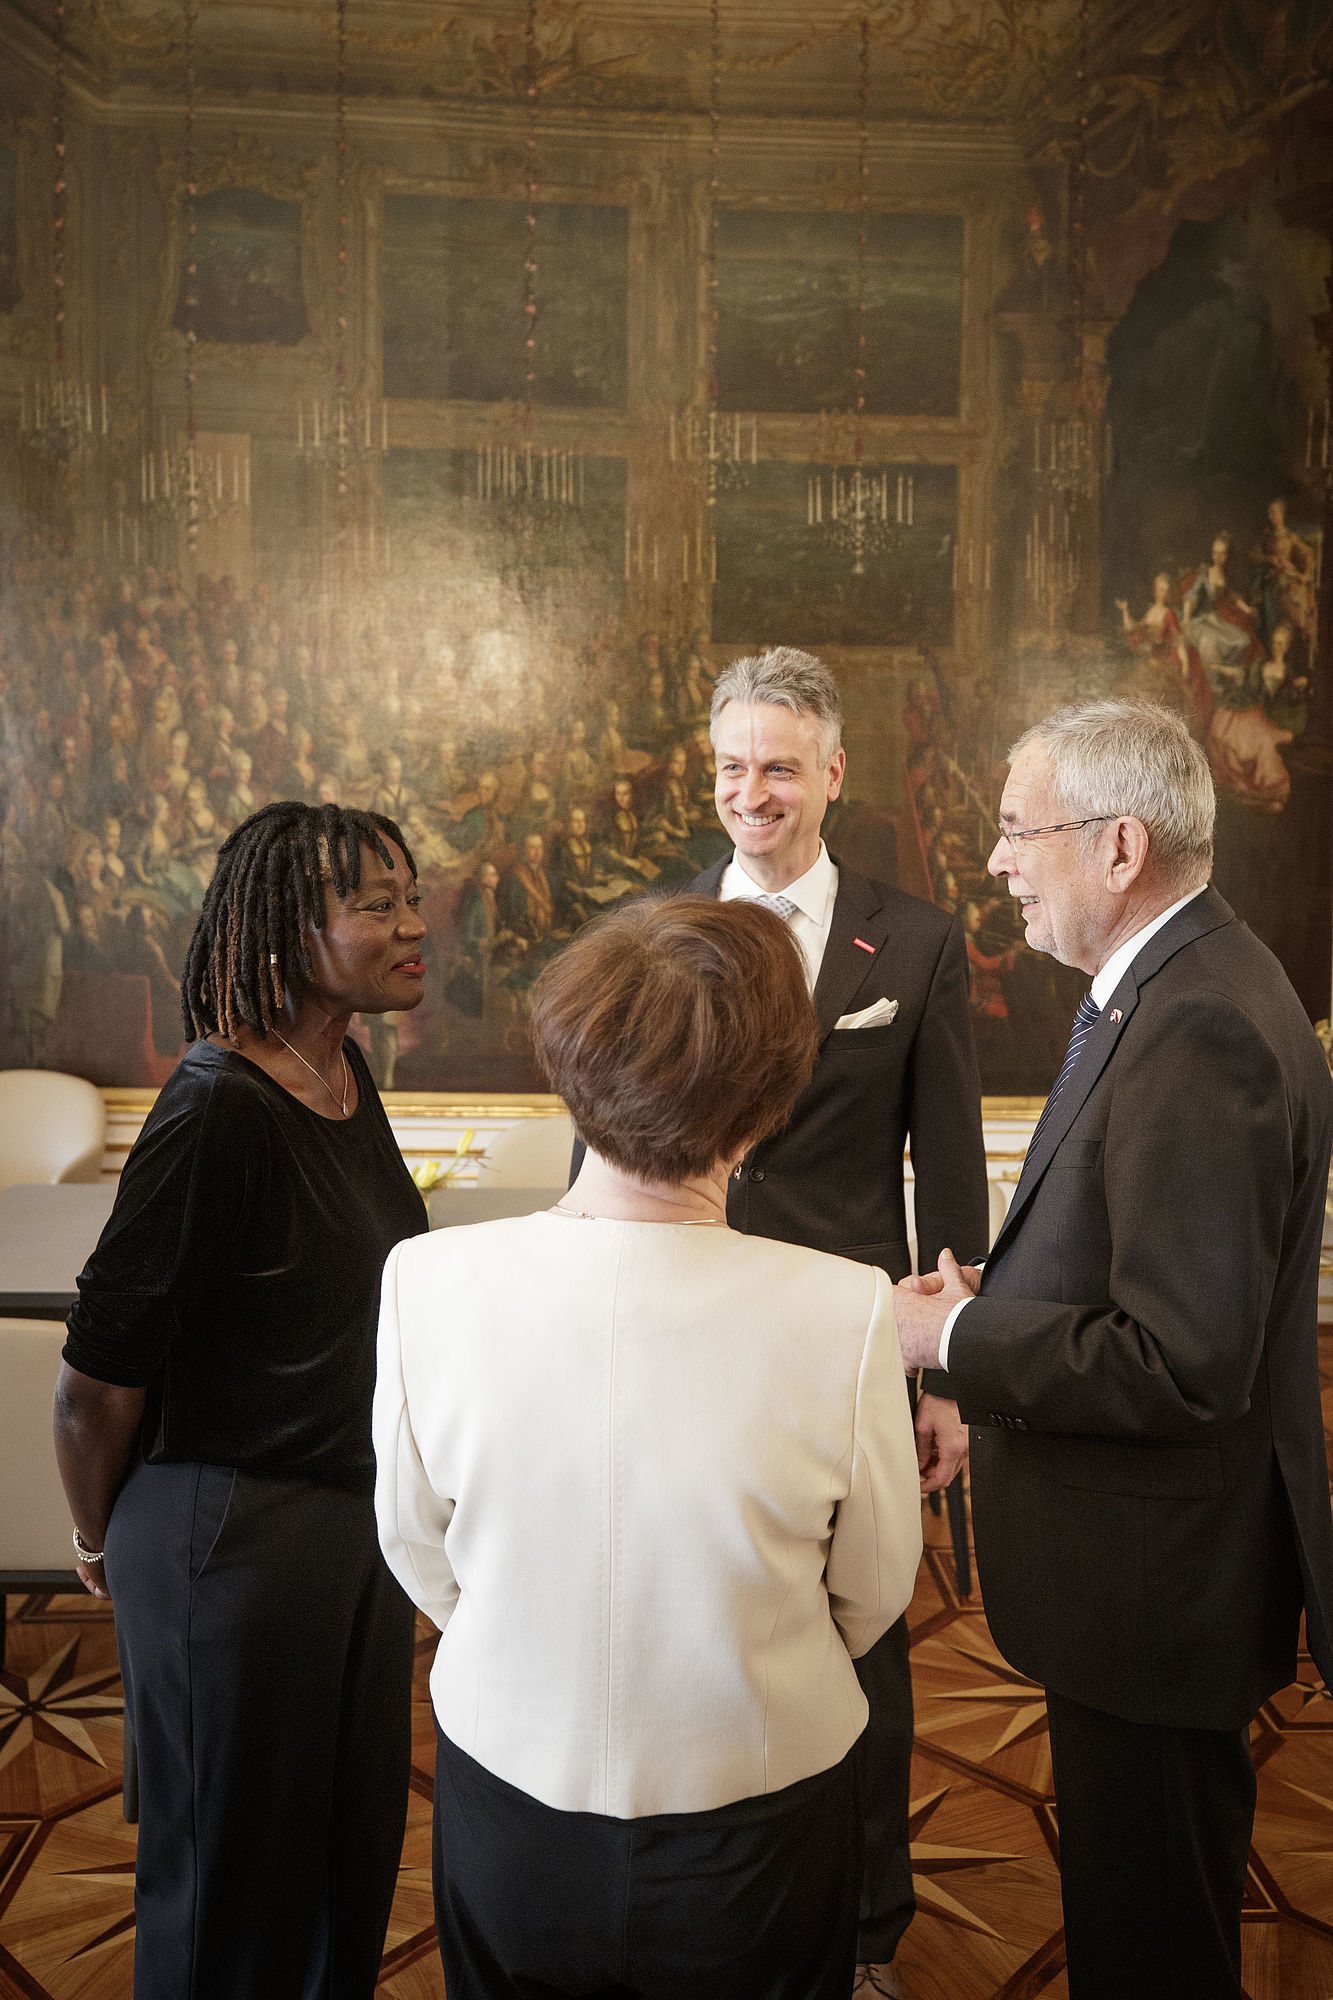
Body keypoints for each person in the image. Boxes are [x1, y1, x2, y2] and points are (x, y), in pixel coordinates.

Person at [375, 895, 924, 2000]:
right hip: (757, 1807)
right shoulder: (848, 1307)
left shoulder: (427, 1278)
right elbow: (871, 1591)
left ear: (571, 1069)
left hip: (510, 1787)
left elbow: (416, 1547)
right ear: (764, 1107)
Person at [892, 699, 1333, 2000]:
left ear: (1119, 846)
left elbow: (1181, 1359)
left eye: (1017, 830)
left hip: (1154, 1593)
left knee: (1151, 1947)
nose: (996, 862)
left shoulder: (1196, 1024)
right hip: (1148, 1577)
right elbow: (1153, 1264)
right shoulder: (1179, 982)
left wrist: (950, 1332)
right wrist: (1009, 1288)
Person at [647, 646, 990, 1996]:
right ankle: (709, 1902)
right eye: (732, 767)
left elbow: (948, 1175)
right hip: (683, 1338)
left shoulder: (915, 940)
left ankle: (863, 1931)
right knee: (697, 1618)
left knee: (863, 1641)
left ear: (834, 772)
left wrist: (948, 1379)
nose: (752, 793)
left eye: (779, 767)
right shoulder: (658, 929)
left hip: (851, 1347)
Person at [52, 800, 431, 2000]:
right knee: (229, 1888)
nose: (414, 925)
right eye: (377, 904)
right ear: (286, 930)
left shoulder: (341, 1069)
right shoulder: (215, 1104)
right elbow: (95, 1380)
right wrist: (97, 1539)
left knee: (340, 1860)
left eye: (411, 898)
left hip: (346, 1530)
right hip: (230, 1533)